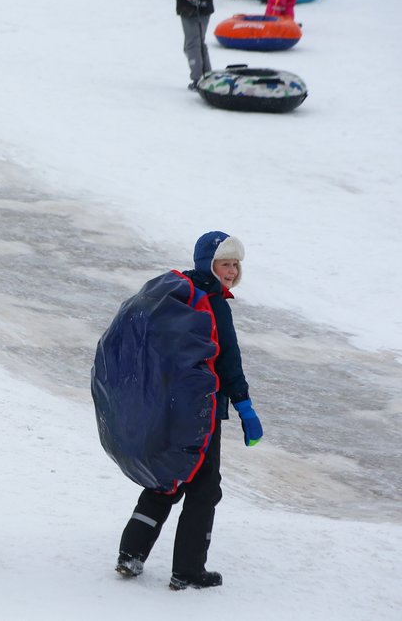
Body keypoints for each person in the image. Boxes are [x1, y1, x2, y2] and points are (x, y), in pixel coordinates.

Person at [115, 231, 264, 590]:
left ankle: (130, 554)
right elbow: (228, 361)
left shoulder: (174, 294)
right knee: (204, 488)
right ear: (207, 264)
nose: (231, 271)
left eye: (235, 265)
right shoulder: (211, 303)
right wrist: (244, 407)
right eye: (225, 263)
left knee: (167, 479)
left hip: (166, 409)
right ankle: (188, 571)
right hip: (200, 413)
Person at [169, 0, 223, 91]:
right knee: (198, 41)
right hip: (197, 8)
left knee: (192, 44)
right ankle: (206, 74)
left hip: (192, 10)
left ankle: (198, 77)